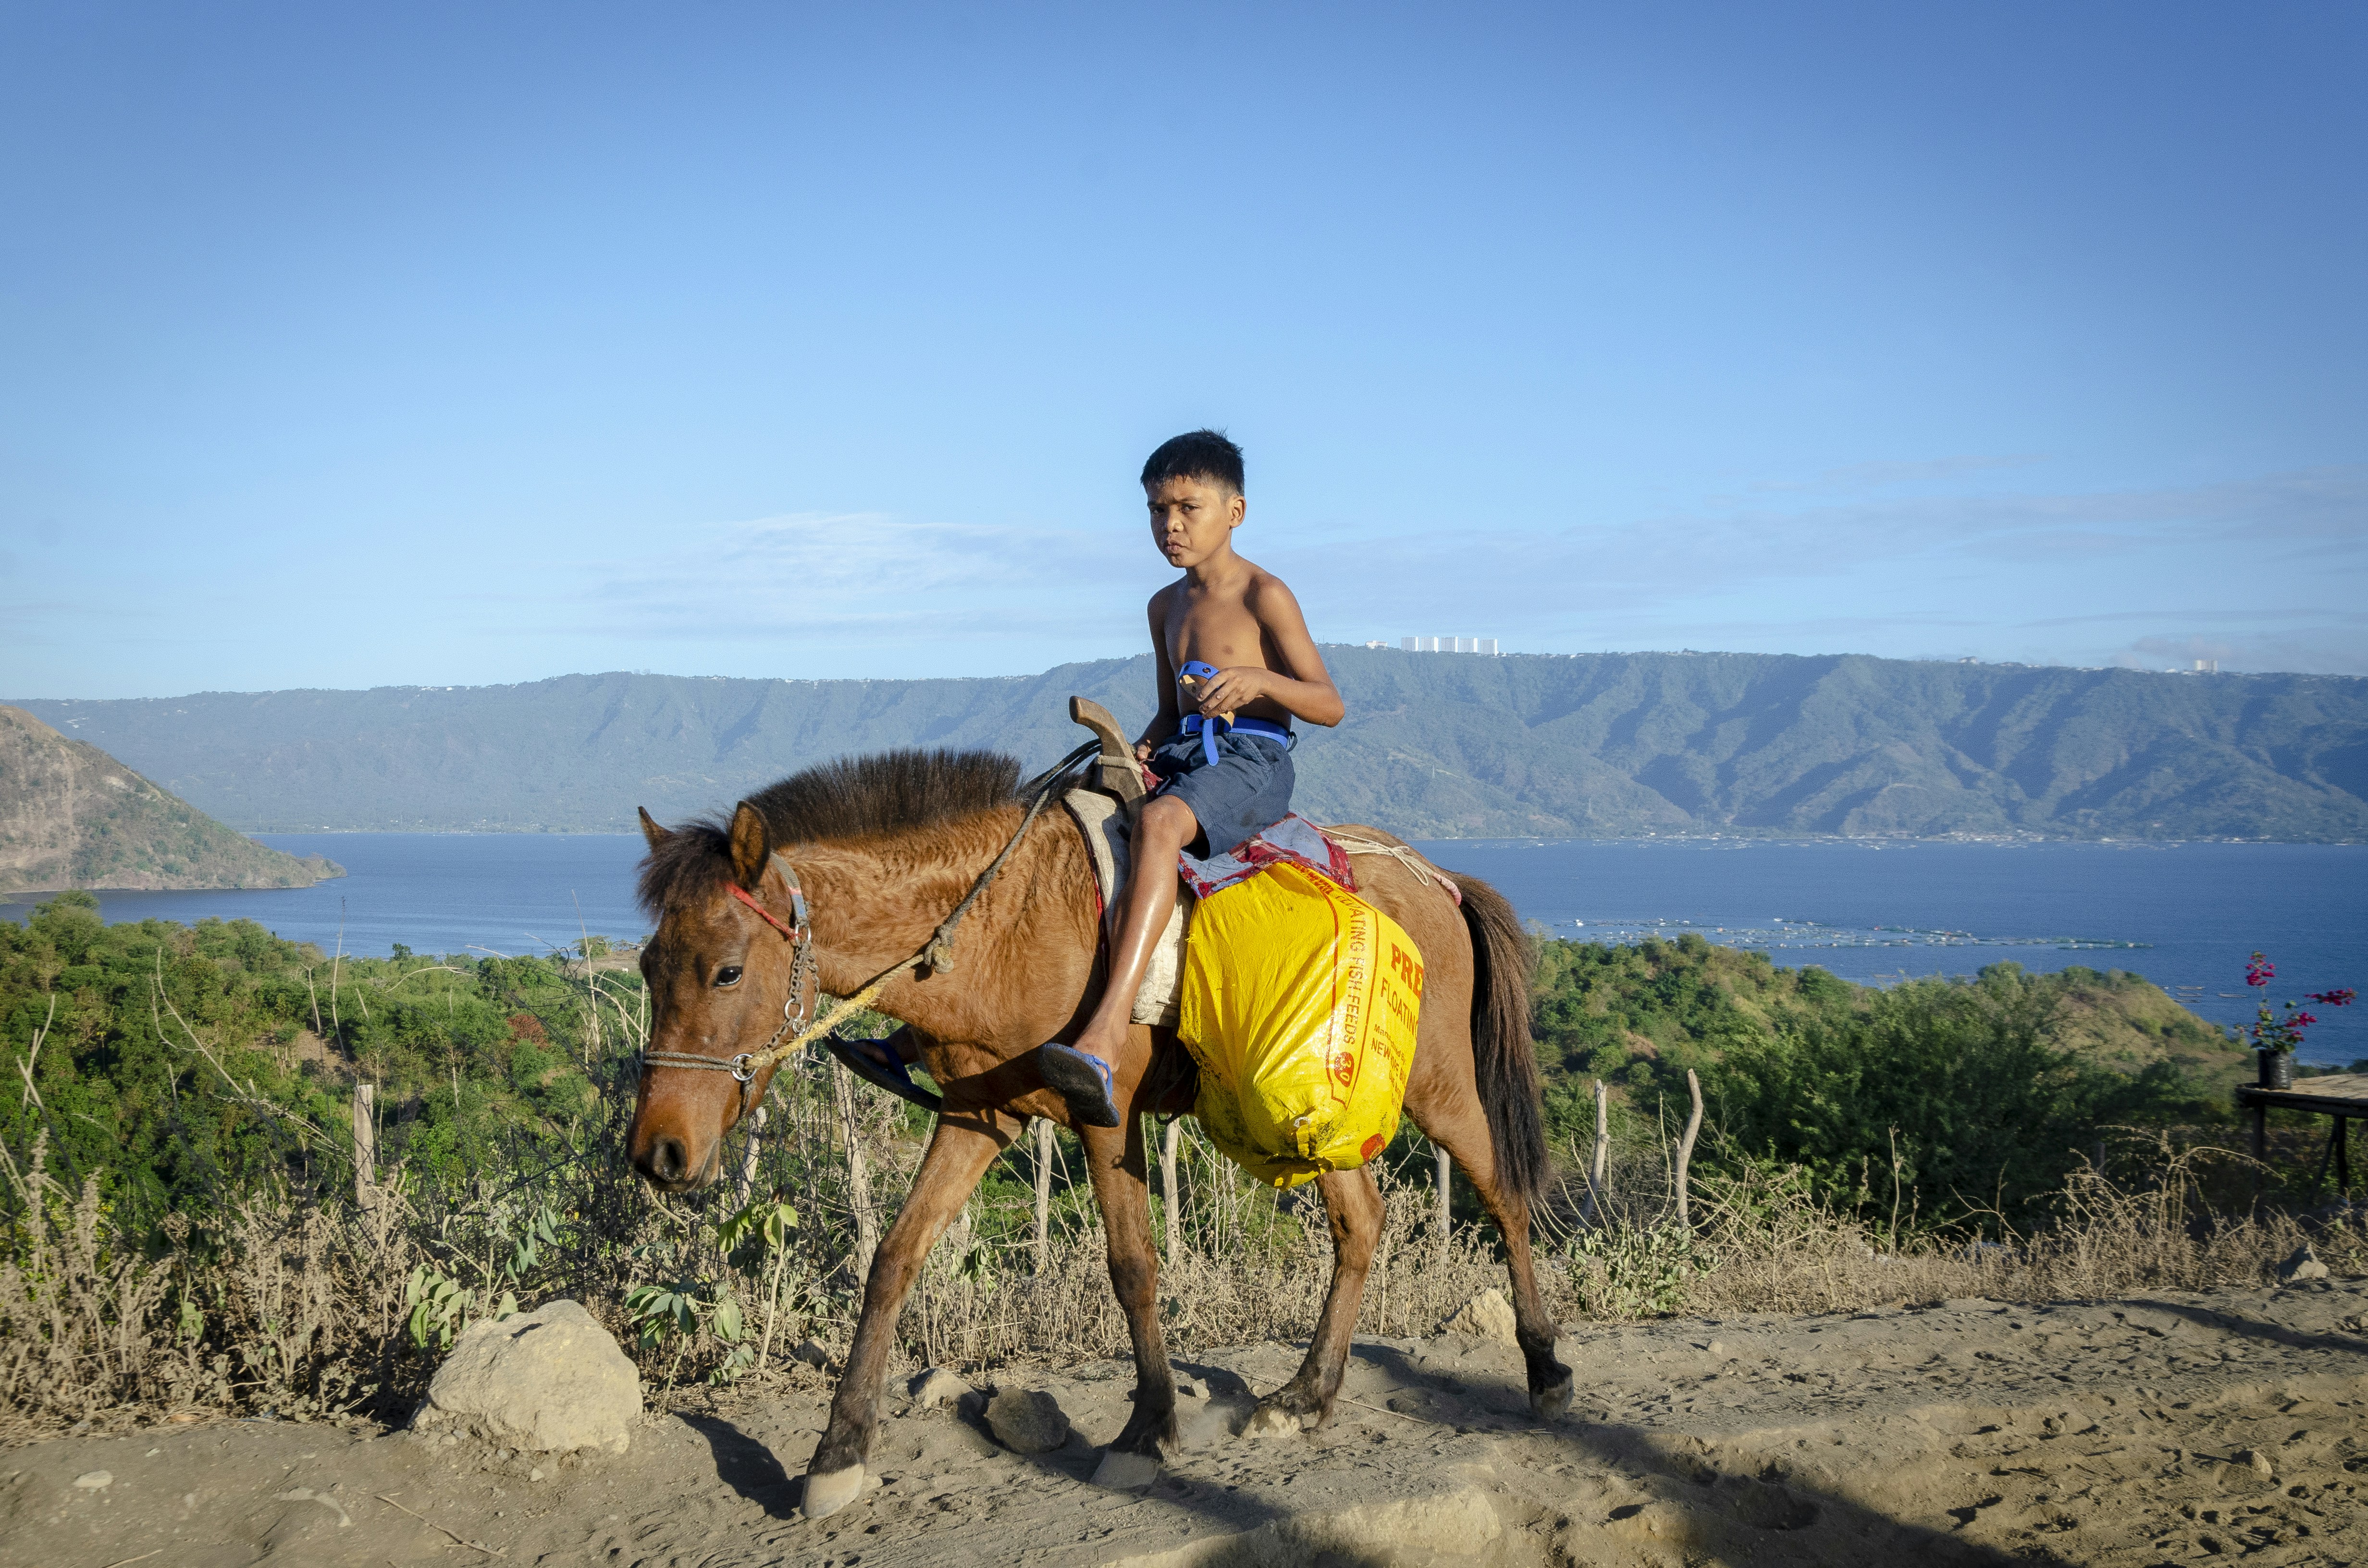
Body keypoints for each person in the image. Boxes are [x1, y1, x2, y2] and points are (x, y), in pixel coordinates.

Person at [1038, 430, 1345, 1127]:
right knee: (1057, 816)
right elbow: (1170, 711)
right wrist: (1140, 748)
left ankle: (1108, 1033)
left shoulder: (1266, 595)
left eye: (1187, 507)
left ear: (1234, 511)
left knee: (1160, 824)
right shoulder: (1162, 606)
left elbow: (1329, 704)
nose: (1169, 525)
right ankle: (918, 1034)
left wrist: (1258, 680)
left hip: (1252, 759)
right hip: (1185, 753)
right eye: (1155, 510)